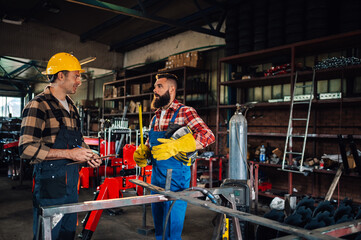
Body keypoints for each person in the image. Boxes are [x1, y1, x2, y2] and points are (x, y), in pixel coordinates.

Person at [19, 52, 102, 240]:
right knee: (47, 235)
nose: (79, 81)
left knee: (67, 235)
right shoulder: (38, 105)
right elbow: (26, 148)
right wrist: (71, 154)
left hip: (71, 185)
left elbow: (76, 141)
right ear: (61, 75)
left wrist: (88, 154)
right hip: (50, 187)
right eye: (76, 75)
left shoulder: (71, 106)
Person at [133, 73, 215, 240]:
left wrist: (179, 145)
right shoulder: (156, 116)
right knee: (159, 223)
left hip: (176, 175)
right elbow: (151, 145)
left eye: (159, 86)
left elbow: (208, 135)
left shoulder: (185, 112)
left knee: (172, 225)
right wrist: (144, 154)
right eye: (155, 87)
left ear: (171, 89)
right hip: (156, 175)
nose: (154, 90)